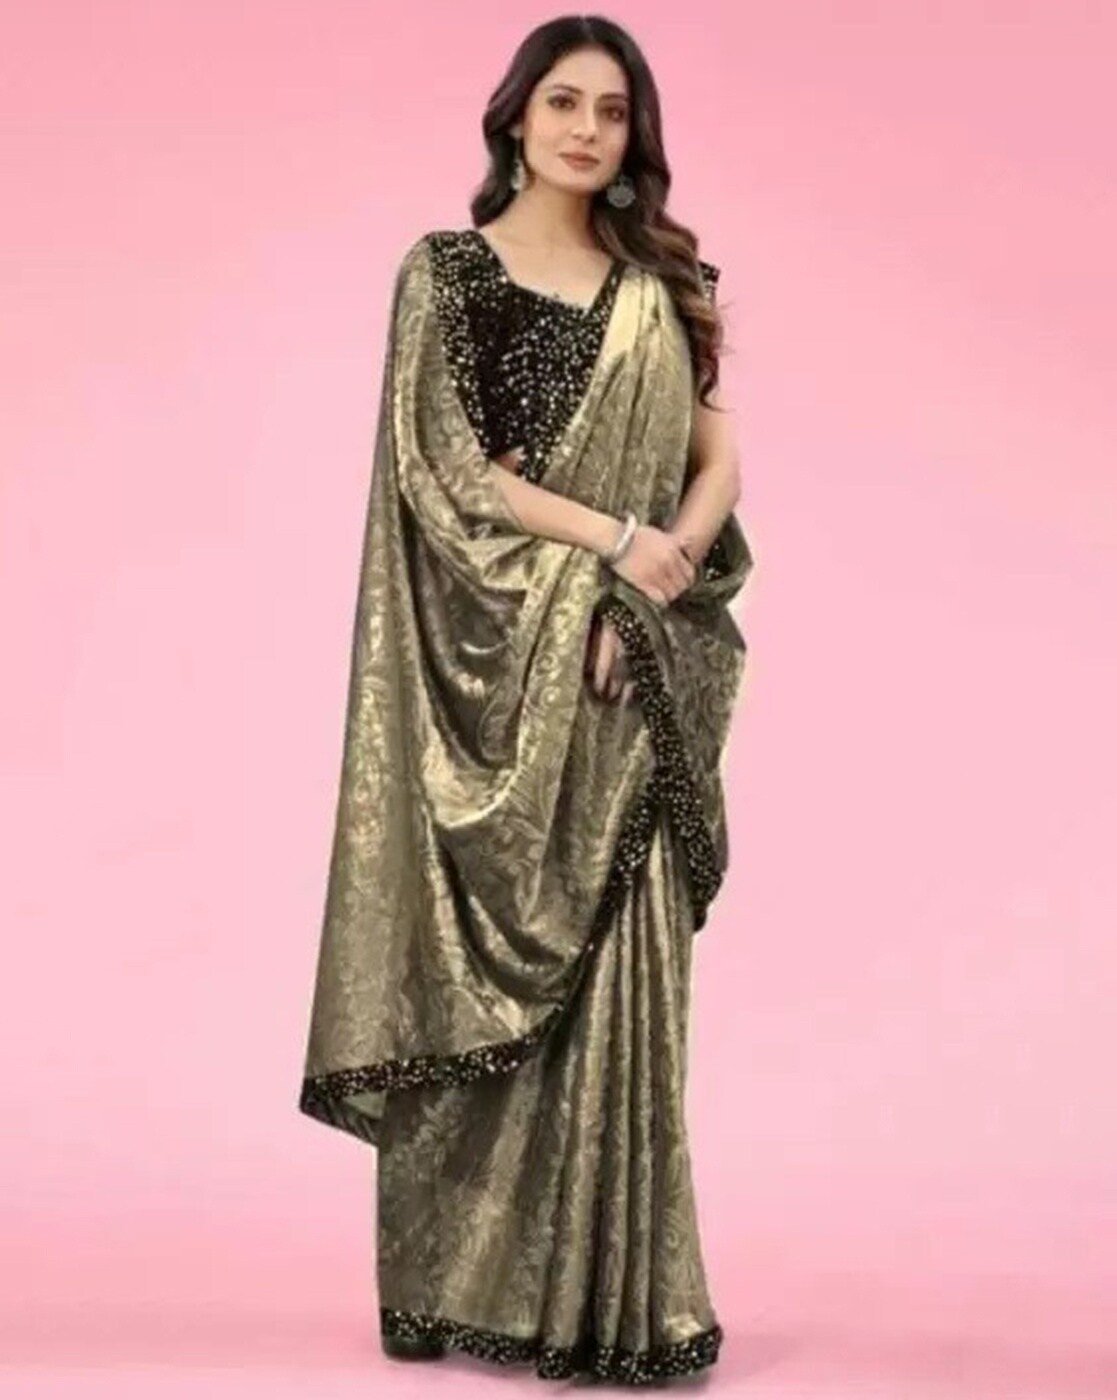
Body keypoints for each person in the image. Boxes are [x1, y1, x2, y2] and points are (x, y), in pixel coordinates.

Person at [297, 14, 754, 1387]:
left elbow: (718, 459)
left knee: (627, 985)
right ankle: (468, 1290)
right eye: (562, 102)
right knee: (470, 984)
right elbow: (451, 474)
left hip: (629, 692)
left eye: (612, 111)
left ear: (635, 138)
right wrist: (614, 548)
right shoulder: (450, 274)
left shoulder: (665, 284)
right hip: (508, 675)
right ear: (513, 118)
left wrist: (657, 581)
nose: (586, 130)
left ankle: (616, 1303)